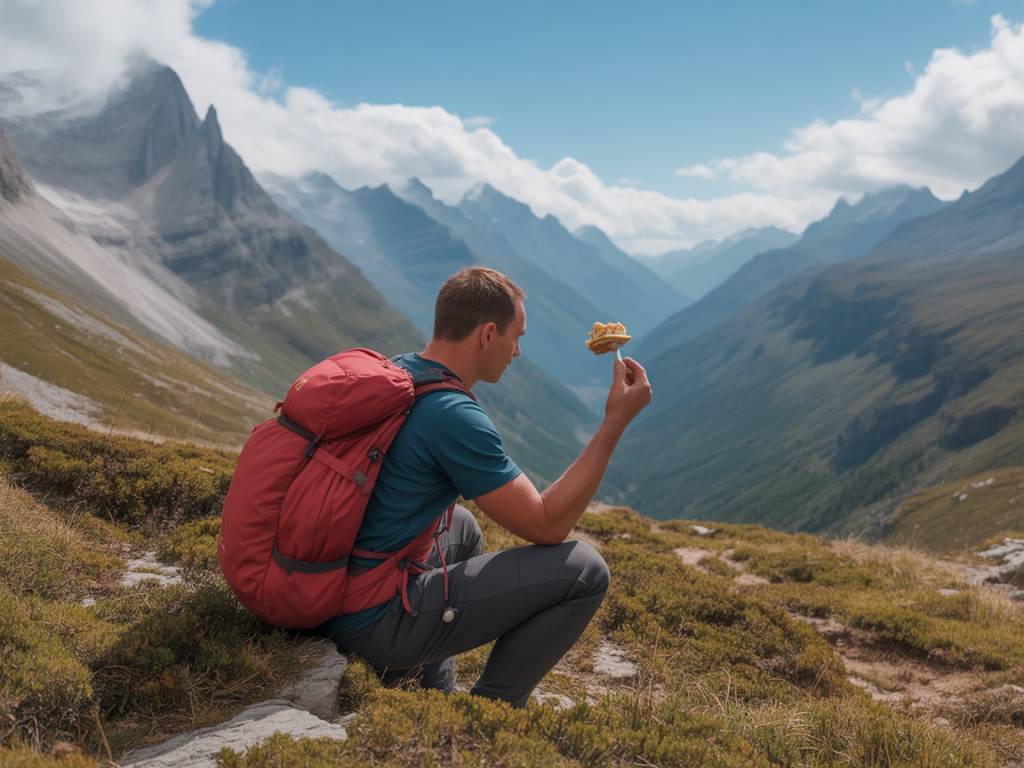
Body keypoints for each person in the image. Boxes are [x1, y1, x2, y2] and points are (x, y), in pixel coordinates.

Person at [319, 266, 652, 708]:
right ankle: (487, 712)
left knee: (461, 526)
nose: (517, 352)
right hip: (372, 621)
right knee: (585, 569)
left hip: (334, 593)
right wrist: (614, 423)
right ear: (488, 334)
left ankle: (427, 690)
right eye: (517, 337)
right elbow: (547, 526)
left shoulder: (401, 372)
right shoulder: (452, 415)